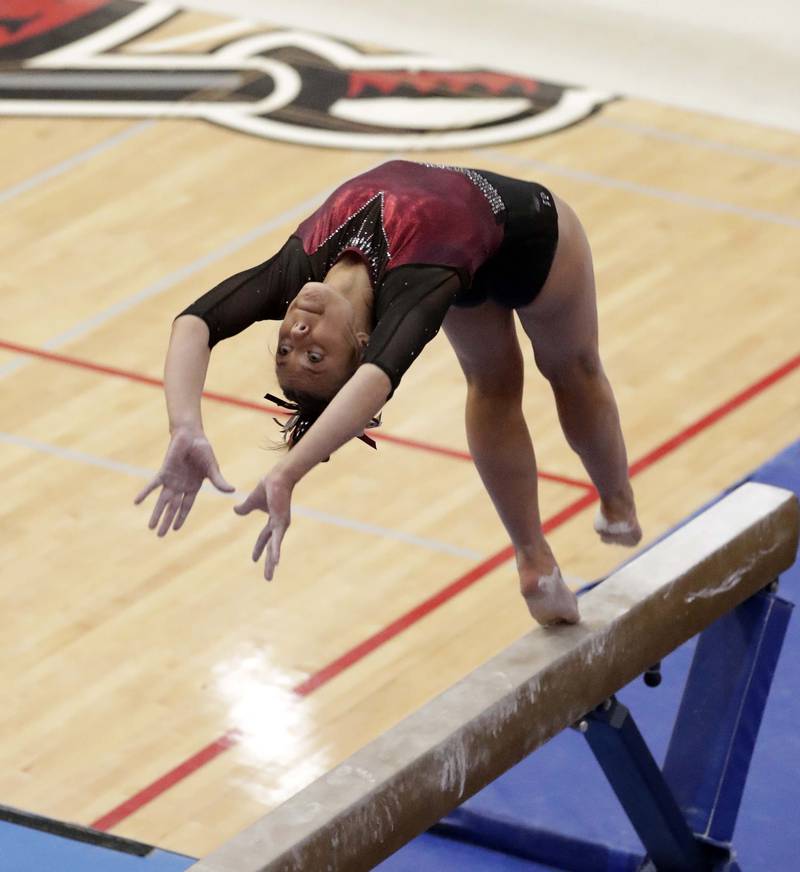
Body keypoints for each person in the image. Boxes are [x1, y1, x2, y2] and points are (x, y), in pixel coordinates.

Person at [135, 160, 641, 625]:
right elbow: (375, 381)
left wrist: (185, 426)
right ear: (361, 342)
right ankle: (570, 535)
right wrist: (290, 471)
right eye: (315, 358)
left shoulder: (294, 272)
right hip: (535, 242)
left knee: (502, 379)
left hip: (481, 249)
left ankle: (568, 537)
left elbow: (195, 323)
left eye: (284, 351)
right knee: (567, 368)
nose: (296, 338)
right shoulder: (414, 288)